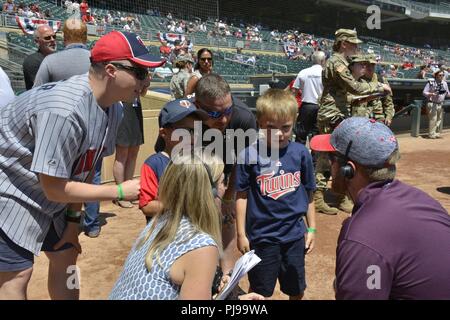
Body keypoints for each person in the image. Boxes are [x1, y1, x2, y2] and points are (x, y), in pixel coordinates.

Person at [0, 30, 164, 300]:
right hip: (11, 189)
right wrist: (119, 191)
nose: (146, 81)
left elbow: (84, 168)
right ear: (111, 70)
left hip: (46, 190)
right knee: (16, 276)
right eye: (140, 72)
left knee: (67, 258)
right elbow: (54, 188)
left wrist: (74, 221)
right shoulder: (65, 109)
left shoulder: (115, 107)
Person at [310, 117, 450, 299]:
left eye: (331, 157)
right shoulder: (424, 201)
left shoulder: (361, 236)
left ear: (349, 169)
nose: (329, 164)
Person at [110, 152, 264, 300]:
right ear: (209, 193)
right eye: (222, 182)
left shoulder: (162, 220)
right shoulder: (201, 246)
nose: (225, 188)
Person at [235, 89, 316, 299]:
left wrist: (312, 228)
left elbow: (309, 194)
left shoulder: (301, 153)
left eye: (286, 127)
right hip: (262, 237)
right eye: (271, 127)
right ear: (260, 124)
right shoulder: (249, 155)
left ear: (294, 123)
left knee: (296, 289)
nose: (279, 133)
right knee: (260, 291)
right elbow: (241, 196)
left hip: (294, 236)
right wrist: (241, 234)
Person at [315, 29, 392, 216]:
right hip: (330, 114)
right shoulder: (336, 62)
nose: (357, 47)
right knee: (326, 157)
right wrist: (379, 86)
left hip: (337, 113)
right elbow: (355, 87)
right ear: (343, 44)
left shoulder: (341, 62)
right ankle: (318, 198)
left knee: (340, 157)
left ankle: (341, 196)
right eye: (354, 44)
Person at [139, 99, 208, 223]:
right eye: (186, 131)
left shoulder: (199, 160)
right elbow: (147, 206)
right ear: (164, 133)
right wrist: (184, 205)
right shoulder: (154, 164)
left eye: (197, 130)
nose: (193, 137)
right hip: (164, 235)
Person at [33, 19, 90, 87]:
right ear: (86, 37)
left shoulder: (50, 61)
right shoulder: (99, 61)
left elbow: (36, 92)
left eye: (54, 37)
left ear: (63, 36)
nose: (52, 39)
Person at [292, 50, 325, 144]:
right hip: (321, 107)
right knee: (317, 134)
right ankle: (316, 156)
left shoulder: (304, 72)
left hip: (306, 106)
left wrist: (295, 106)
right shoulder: (326, 73)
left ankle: (299, 155)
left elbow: (294, 90)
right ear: (323, 61)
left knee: (301, 133)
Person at [364, 54, 395, 126]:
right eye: (367, 64)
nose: (370, 67)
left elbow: (388, 102)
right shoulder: (358, 79)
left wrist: (389, 116)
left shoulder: (381, 79)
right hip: (363, 117)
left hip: (379, 118)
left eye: (372, 65)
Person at [22, 25, 57, 90]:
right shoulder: (32, 61)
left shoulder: (58, 58)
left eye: (54, 36)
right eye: (47, 38)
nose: (52, 40)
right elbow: (42, 88)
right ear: (37, 42)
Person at [422, 69, 449, 139]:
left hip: (440, 103)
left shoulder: (445, 83)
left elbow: (447, 93)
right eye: (440, 75)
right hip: (432, 103)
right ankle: (431, 134)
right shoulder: (431, 82)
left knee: (439, 119)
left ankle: (435, 132)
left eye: (443, 75)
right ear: (436, 76)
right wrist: (431, 94)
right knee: (433, 119)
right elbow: (424, 92)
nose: (442, 76)